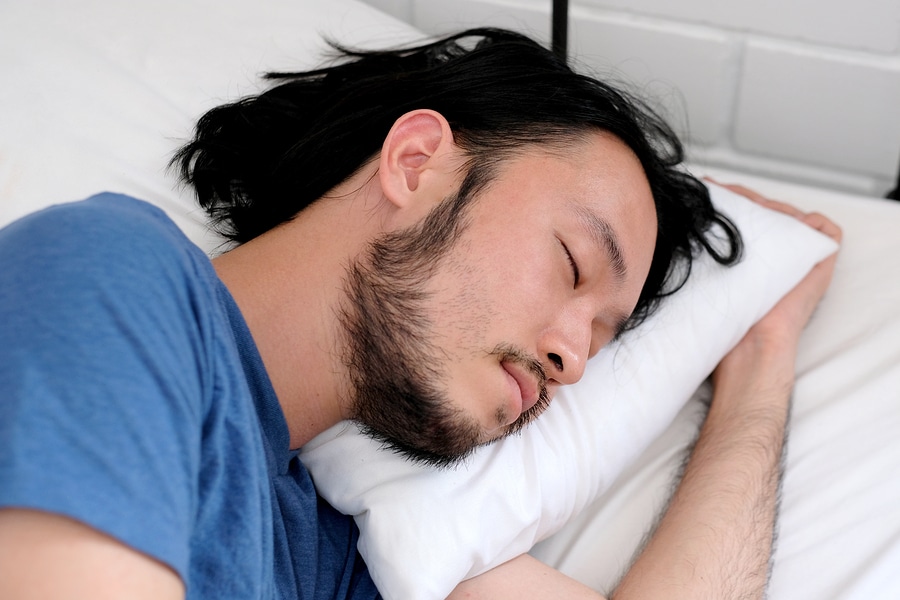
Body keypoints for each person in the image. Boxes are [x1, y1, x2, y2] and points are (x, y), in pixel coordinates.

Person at [0, 28, 838, 599]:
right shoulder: (112, 276)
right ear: (416, 162)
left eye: (601, 335)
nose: (575, 360)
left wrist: (761, 354)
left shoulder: (349, 550)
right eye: (574, 264)